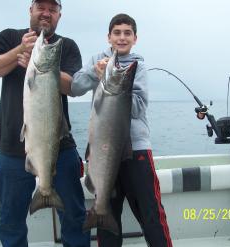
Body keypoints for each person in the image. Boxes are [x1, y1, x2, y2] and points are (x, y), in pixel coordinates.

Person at [0, 0, 90, 246]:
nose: (46, 13)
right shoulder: (9, 37)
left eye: (52, 10)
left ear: (59, 15)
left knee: (74, 216)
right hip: (12, 148)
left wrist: (44, 64)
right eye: (41, 7)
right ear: (30, 10)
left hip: (59, 146)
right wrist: (18, 51)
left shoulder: (67, 46)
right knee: (10, 220)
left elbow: (73, 87)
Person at [62, 13, 173, 247]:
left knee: (151, 213)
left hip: (137, 151)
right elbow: (75, 87)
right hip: (102, 150)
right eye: (117, 32)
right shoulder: (97, 60)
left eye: (127, 33)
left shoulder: (139, 67)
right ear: (109, 37)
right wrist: (96, 72)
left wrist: (118, 86)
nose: (122, 38)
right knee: (107, 214)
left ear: (135, 38)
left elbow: (139, 108)